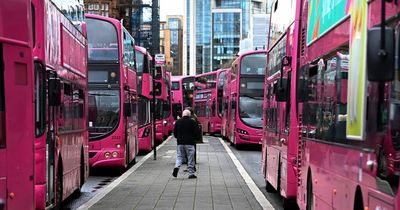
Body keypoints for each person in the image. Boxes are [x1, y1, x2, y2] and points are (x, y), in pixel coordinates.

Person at [172, 110, 200, 179]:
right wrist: (195, 138)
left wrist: (178, 138)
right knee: (190, 157)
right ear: (189, 115)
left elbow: (175, 133)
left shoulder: (178, 122)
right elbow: (197, 132)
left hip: (180, 143)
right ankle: (190, 173)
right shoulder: (192, 122)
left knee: (179, 156)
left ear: (183, 114)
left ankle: (176, 167)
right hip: (190, 142)